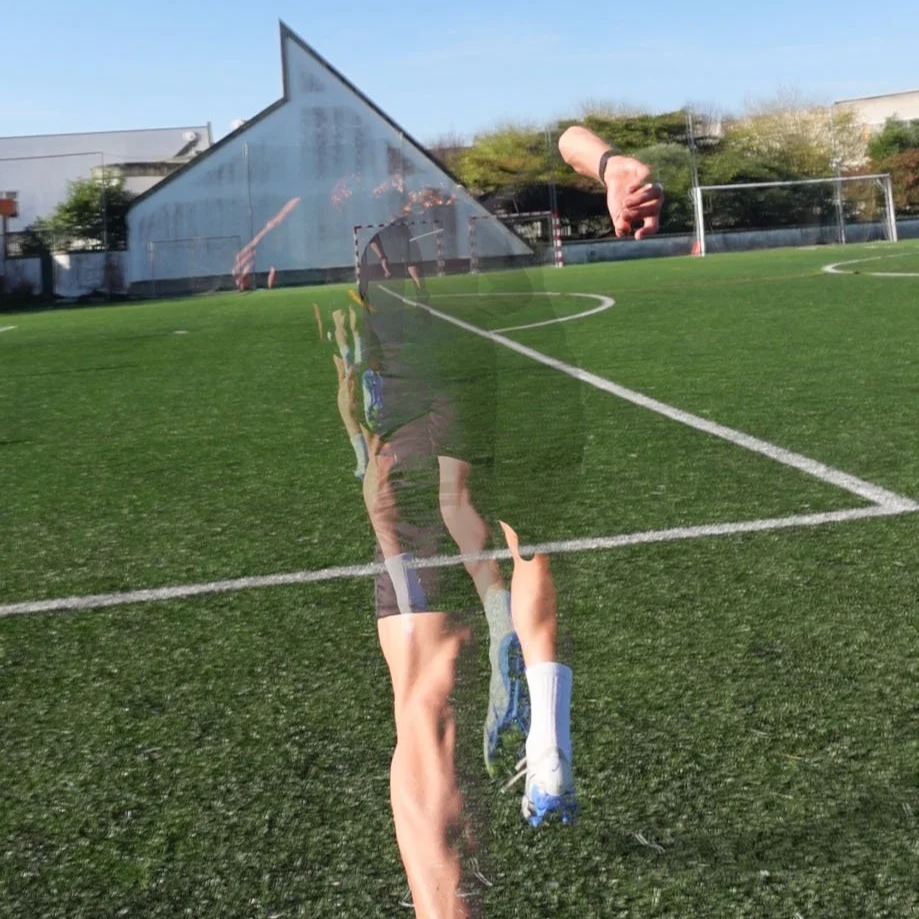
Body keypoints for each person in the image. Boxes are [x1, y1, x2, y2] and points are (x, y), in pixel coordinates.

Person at [355, 135, 664, 916]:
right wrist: (610, 168)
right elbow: (565, 138)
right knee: (532, 550)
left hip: (419, 442)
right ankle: (546, 729)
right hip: (516, 422)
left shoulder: (380, 250)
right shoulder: (491, 227)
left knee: (422, 701)